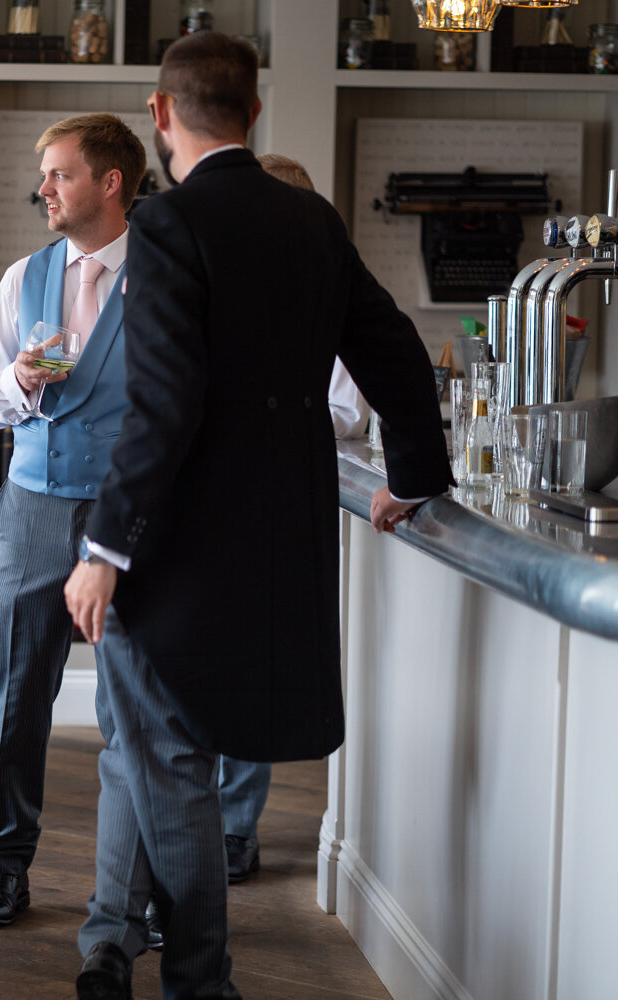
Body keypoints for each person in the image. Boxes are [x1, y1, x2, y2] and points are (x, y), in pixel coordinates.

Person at [62, 32, 451, 1000]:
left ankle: (198, 977)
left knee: (169, 759)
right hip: (282, 541)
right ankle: (156, 956)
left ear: (160, 113)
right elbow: (396, 347)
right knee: (184, 756)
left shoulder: (164, 224)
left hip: (178, 548)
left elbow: (162, 402)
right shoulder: (309, 219)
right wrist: (418, 470)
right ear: (255, 111)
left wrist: (105, 546)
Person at [0, 113, 148, 929]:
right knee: (17, 694)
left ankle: (136, 889)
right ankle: (6, 864)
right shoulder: (22, 277)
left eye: (59, 174)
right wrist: (22, 382)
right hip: (33, 507)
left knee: (135, 705)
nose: (43, 188)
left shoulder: (169, 279)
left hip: (130, 516)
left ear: (109, 184)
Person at [215, 153, 369, 888]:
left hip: (279, 510)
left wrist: (281, 407)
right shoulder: (207, 290)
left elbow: (349, 408)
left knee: (251, 676)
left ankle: (236, 828)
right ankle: (186, 827)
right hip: (203, 513)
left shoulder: (327, 300)